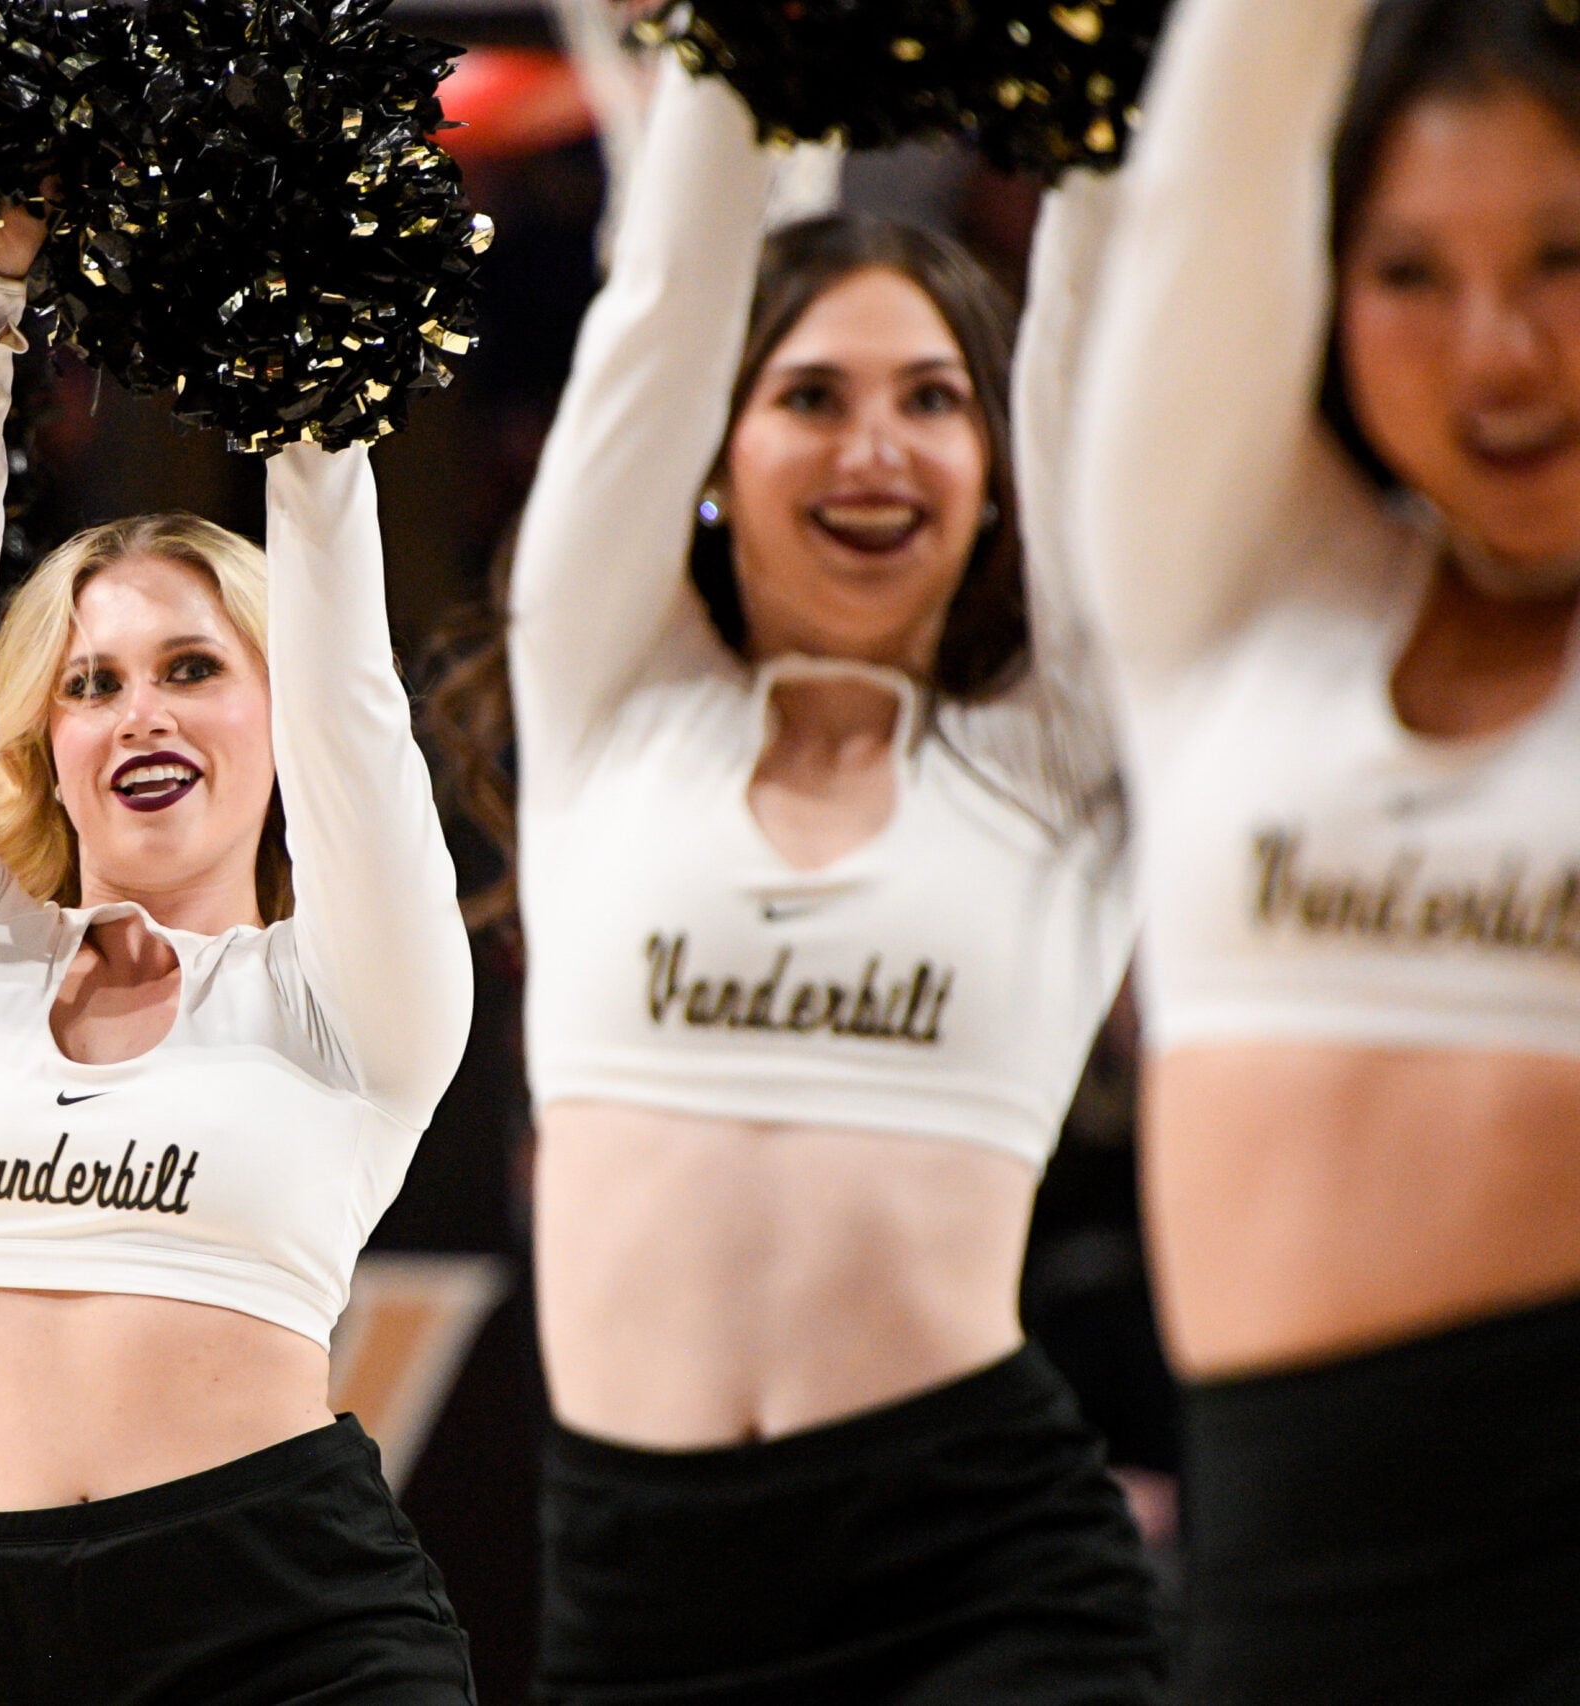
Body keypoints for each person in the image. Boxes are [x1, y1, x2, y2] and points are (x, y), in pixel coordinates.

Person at [475, 53, 1162, 1703]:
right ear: (716, 446)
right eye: (814, 396)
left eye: (935, 399)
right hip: (645, 1597)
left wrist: (1099, 78)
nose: (879, 448)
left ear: (998, 469)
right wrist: (731, 50)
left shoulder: (1054, 747)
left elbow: (1110, 307)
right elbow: (672, 293)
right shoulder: (609, 698)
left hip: (984, 1581)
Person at [0, 210, 478, 1704]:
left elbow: (361, 714)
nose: (142, 714)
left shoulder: (346, 1003)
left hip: (288, 1639)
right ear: (44, 741)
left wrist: (319, 422)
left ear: (273, 709)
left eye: (195, 669)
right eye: (93, 683)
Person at [1074, 0, 1580, 1697]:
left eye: (1565, 257)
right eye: (1412, 274)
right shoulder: (1233, 603)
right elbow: (1232, 109)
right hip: (1282, 1627)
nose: (1501, 350)